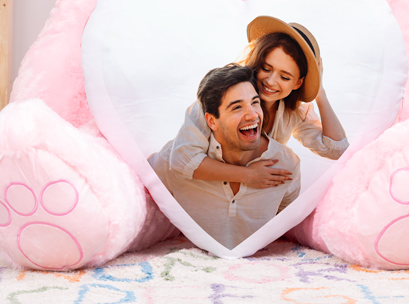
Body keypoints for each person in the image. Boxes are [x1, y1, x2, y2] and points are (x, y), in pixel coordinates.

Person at [169, 16, 348, 190]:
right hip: (168, 185)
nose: (270, 81)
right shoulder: (221, 93)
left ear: (298, 83)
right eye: (266, 68)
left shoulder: (294, 113)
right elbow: (181, 160)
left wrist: (320, 93)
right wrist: (247, 175)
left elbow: (338, 150)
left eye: (285, 77)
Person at [148, 64, 300, 249]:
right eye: (237, 107)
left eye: (255, 102)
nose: (252, 115)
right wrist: (247, 175)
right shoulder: (172, 160)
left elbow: (287, 218)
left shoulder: (286, 165)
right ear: (211, 121)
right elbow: (140, 186)